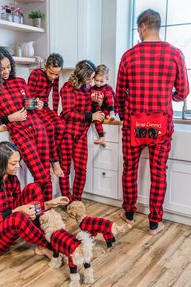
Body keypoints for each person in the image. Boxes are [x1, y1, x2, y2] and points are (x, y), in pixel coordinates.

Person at [115, 9, 189, 235]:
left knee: (130, 169)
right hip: (161, 123)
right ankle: (155, 222)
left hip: (134, 122)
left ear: (142, 27)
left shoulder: (129, 55)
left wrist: (124, 113)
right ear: (156, 25)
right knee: (159, 172)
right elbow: (184, 92)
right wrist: (169, 97)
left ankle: (128, 213)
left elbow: (119, 95)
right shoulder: (175, 54)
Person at [0, 46, 52, 201]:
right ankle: (41, 212)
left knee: (46, 172)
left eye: (8, 66)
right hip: (21, 134)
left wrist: (36, 104)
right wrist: (9, 118)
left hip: (38, 128)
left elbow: (27, 103)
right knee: (41, 176)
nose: (6, 71)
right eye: (1, 68)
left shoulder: (20, 82)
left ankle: (49, 213)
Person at [0, 141, 69, 257]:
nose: (18, 166)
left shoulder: (12, 179)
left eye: (18, 162)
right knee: (18, 217)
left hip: (7, 228)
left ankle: (43, 240)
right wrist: (16, 211)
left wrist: (50, 204)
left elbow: (24, 209)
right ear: (1, 163)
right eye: (13, 163)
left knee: (34, 188)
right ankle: (51, 245)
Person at [59, 60, 105, 201]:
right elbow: (68, 113)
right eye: (90, 78)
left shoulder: (88, 88)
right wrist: (90, 116)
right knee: (65, 170)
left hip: (81, 135)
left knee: (81, 170)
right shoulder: (67, 88)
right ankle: (67, 200)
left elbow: (94, 110)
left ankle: (76, 200)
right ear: (82, 76)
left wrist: (100, 106)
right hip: (66, 134)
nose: (91, 81)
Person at [28, 53, 65, 177]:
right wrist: (34, 104)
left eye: (56, 74)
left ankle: (49, 156)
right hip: (34, 109)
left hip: (45, 107)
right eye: (51, 73)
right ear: (45, 66)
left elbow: (55, 95)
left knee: (60, 125)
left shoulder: (55, 77)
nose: (53, 77)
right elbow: (27, 99)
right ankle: (54, 161)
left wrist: (55, 114)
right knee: (49, 127)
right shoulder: (36, 74)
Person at [91, 64, 115, 146]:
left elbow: (114, 100)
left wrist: (103, 105)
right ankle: (101, 137)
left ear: (107, 79)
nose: (98, 83)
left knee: (107, 93)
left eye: (101, 81)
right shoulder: (92, 89)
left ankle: (111, 113)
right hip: (96, 111)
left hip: (106, 109)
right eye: (96, 80)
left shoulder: (108, 88)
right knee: (96, 120)